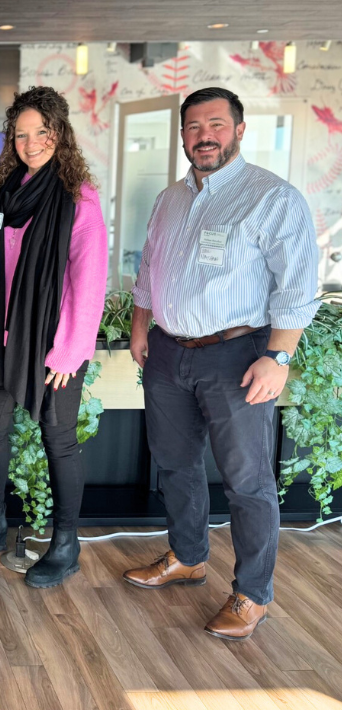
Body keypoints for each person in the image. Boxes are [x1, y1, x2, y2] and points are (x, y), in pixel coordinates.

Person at [123, 87, 320, 640]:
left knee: (247, 481)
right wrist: (140, 328)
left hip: (238, 354)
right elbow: (149, 270)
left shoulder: (271, 197)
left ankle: (253, 595)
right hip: (168, 351)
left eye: (215, 124)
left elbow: (298, 287)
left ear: (238, 130)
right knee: (175, 464)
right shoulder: (170, 198)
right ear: (182, 135)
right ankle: (188, 557)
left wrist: (278, 356)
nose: (203, 136)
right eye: (193, 127)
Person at [0, 87, 108, 591]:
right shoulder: (3, 194)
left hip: (53, 345)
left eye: (41, 132)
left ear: (59, 133)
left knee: (57, 437)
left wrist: (68, 351)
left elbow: (88, 281)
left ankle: (65, 545)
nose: (30, 143)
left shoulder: (78, 198)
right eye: (20, 135)